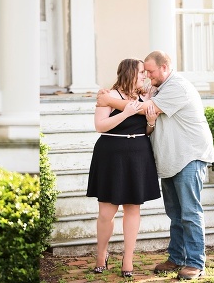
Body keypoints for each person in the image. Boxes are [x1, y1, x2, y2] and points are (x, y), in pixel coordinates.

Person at [97, 51, 214, 280]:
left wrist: (108, 100)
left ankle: (194, 262)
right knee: (175, 213)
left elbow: (143, 109)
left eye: (150, 71)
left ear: (164, 67)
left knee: (190, 212)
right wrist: (109, 93)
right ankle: (176, 257)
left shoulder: (177, 87)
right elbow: (137, 100)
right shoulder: (156, 87)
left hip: (189, 156)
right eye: (145, 72)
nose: (147, 76)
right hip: (171, 159)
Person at [86, 58, 161, 278]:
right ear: (129, 73)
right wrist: (125, 113)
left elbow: (147, 129)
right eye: (140, 72)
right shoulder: (108, 96)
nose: (144, 76)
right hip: (110, 154)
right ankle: (102, 254)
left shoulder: (145, 96)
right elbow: (100, 126)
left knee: (133, 209)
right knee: (106, 213)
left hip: (138, 154)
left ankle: (127, 259)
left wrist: (150, 123)